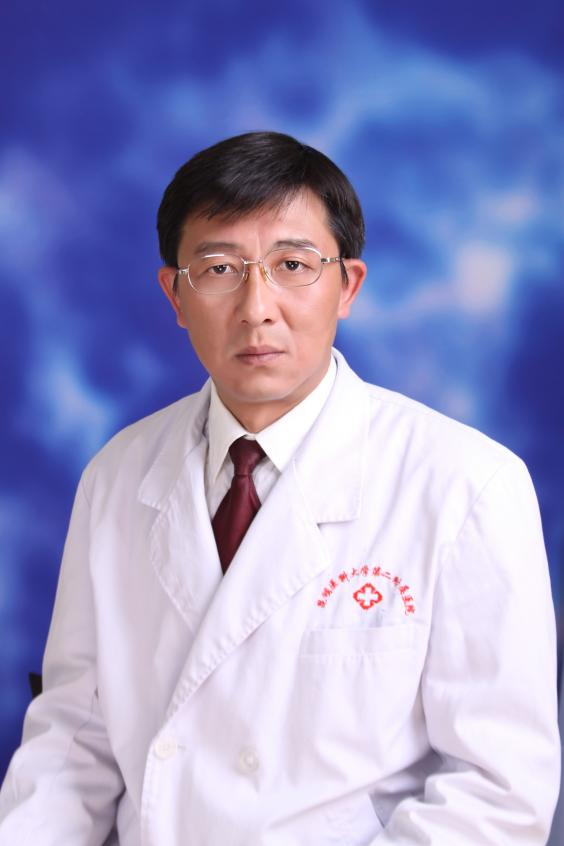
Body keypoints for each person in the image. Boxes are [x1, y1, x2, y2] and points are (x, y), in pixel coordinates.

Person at [0, 131, 560, 845]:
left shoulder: (466, 485)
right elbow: (74, 742)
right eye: (219, 269)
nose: (256, 307)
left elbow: (496, 792)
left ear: (347, 285)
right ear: (175, 294)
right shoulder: (118, 475)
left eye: (292, 265)